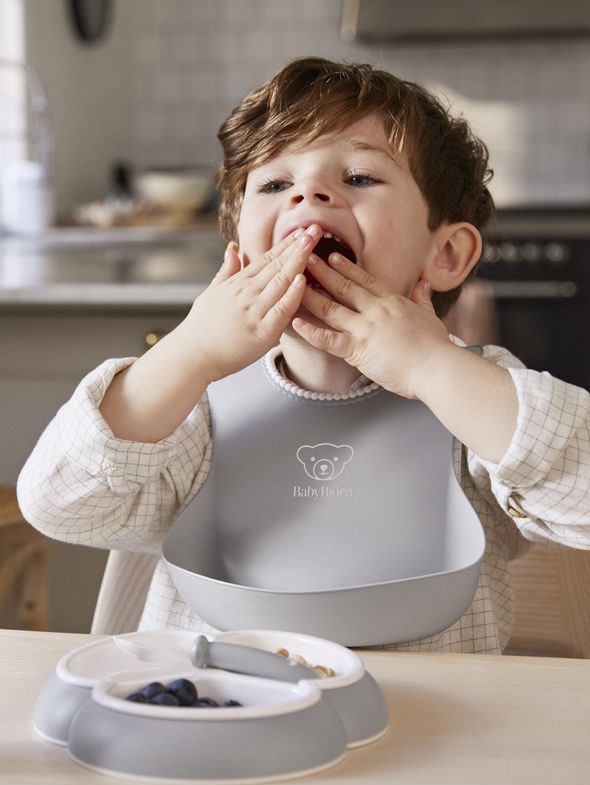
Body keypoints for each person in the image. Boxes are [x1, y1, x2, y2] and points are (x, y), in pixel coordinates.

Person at [17, 58, 590, 652]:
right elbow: (58, 506)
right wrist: (191, 351)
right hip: (223, 726)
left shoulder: (473, 398)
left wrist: (427, 365)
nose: (308, 193)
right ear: (239, 252)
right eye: (273, 184)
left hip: (432, 732)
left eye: (360, 177)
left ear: (444, 255)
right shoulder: (194, 408)